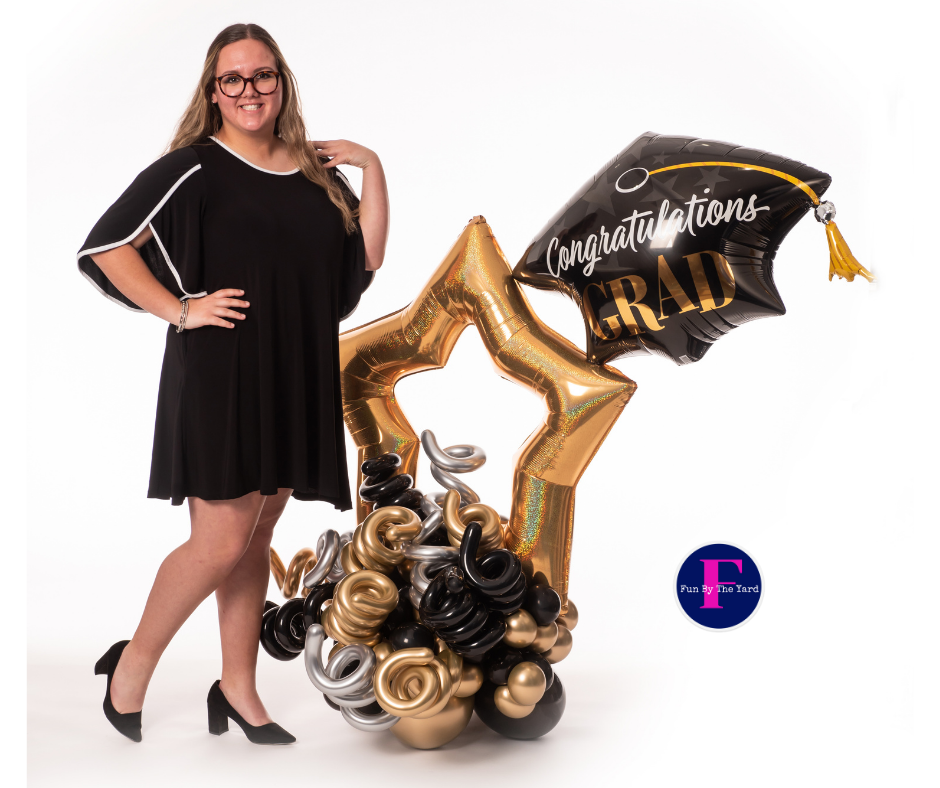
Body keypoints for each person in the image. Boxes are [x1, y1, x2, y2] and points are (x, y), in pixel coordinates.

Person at [78, 22, 389, 745]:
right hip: (221, 369)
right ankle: (133, 668)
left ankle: (238, 687)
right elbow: (105, 246)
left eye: (263, 76)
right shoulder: (193, 165)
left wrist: (372, 164)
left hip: (294, 365)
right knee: (219, 540)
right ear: (213, 91)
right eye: (233, 79)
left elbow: (365, 257)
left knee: (257, 533)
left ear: (281, 83)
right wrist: (180, 309)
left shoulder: (316, 171)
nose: (249, 91)